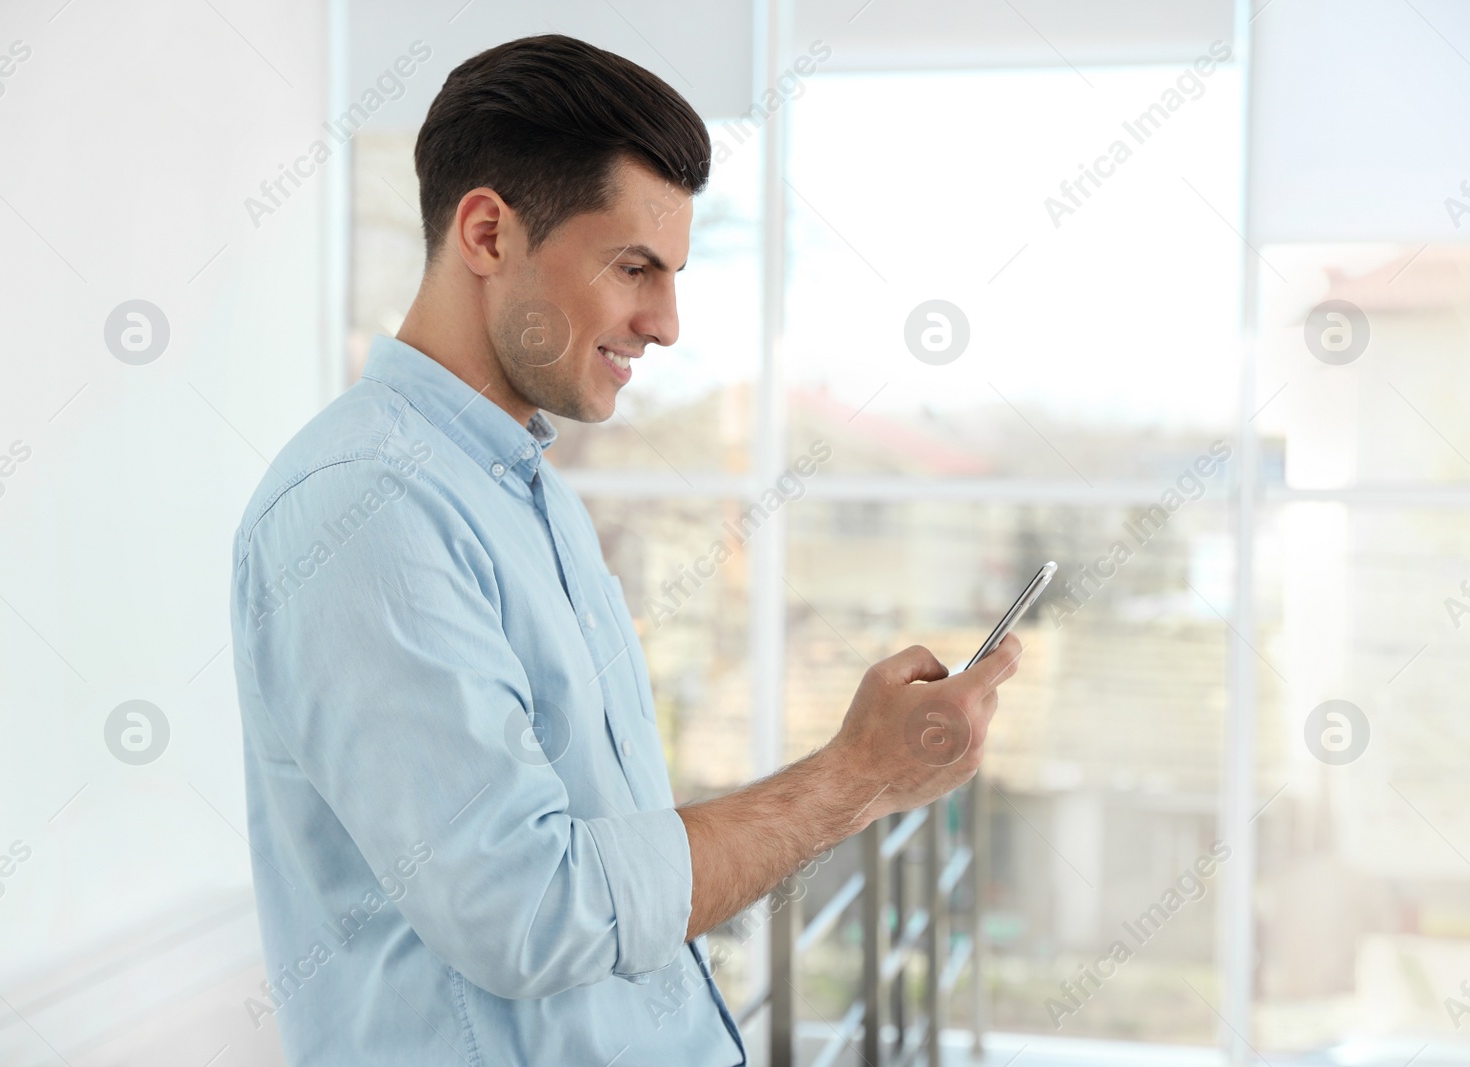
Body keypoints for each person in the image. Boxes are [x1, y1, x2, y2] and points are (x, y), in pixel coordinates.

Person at [229, 33, 1022, 1065]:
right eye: (632, 266)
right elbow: (530, 908)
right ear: (485, 232)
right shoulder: (365, 510)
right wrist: (848, 774)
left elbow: (609, 854)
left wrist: (874, 781)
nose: (666, 321)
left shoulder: (526, 492)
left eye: (674, 272)